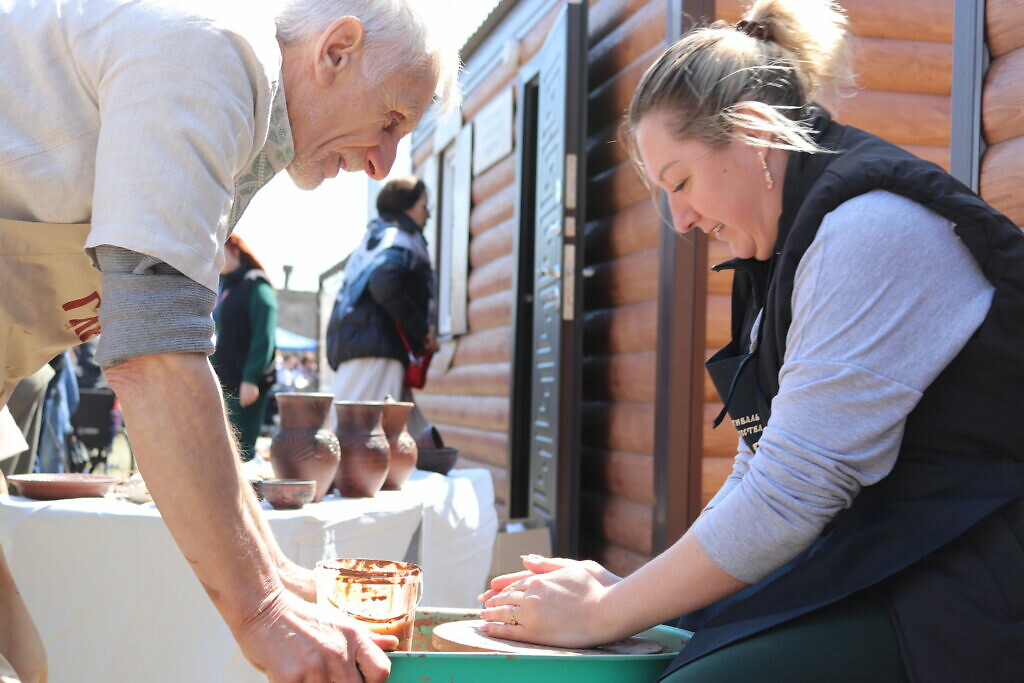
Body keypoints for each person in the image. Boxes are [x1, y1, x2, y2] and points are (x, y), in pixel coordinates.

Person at [479, 1, 1024, 681]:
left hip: (974, 578)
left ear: (757, 135)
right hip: (883, 560)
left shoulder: (866, 232)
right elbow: (756, 470)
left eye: (680, 181)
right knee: (668, 648)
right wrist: (637, 601)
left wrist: (608, 608)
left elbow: (790, 495)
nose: (678, 219)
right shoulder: (782, 261)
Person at [0, 0, 459, 680]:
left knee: (26, 663)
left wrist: (279, 571)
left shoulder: (243, 122)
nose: (381, 163)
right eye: (391, 120)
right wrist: (263, 612)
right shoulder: (211, 59)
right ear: (336, 50)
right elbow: (154, 357)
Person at [326, 175, 438, 409]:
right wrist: (422, 330)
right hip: (377, 352)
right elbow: (384, 283)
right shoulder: (399, 239)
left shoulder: (376, 238)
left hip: (367, 345)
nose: (428, 215)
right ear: (406, 207)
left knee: (397, 434)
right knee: (363, 436)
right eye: (424, 207)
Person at [212, 233, 278, 462]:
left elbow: (265, 336)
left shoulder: (255, 285)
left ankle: (245, 497)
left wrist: (251, 377)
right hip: (225, 380)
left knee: (241, 450)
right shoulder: (226, 287)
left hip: (245, 384)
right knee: (222, 449)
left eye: (220, 249)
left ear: (235, 250)